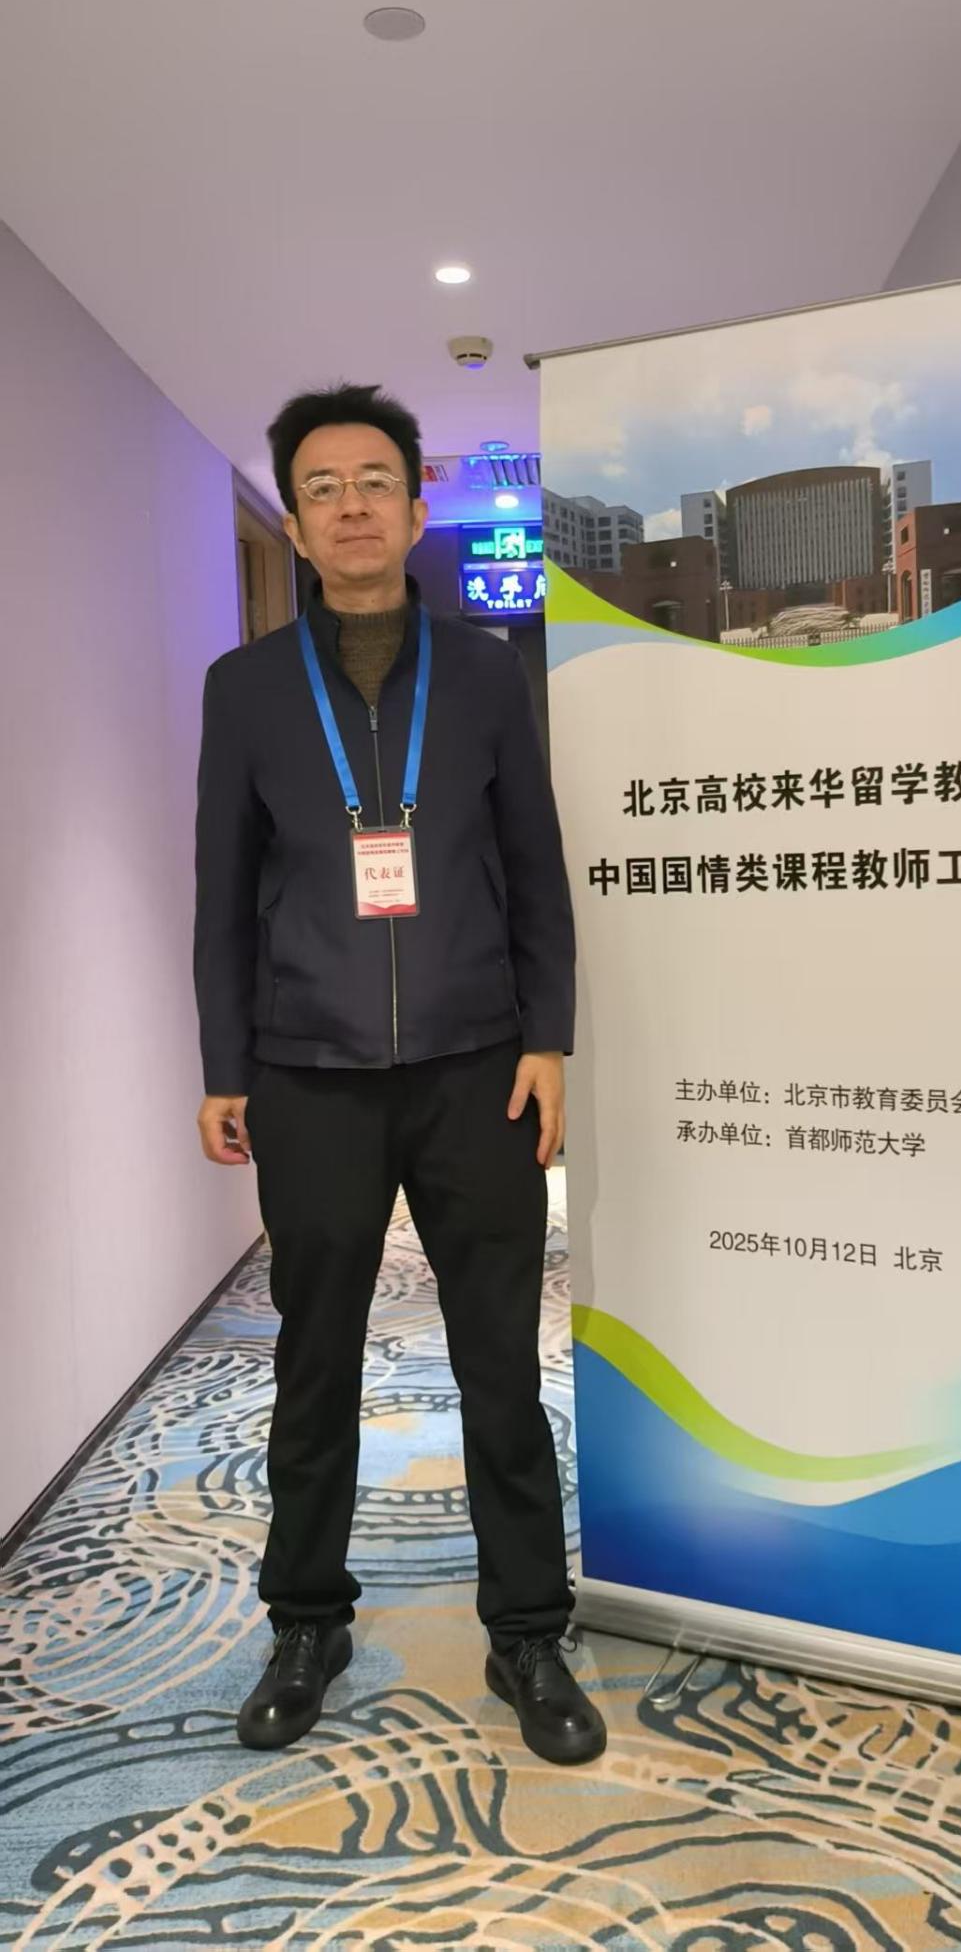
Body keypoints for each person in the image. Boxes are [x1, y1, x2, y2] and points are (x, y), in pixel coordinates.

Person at [193, 382, 605, 1765]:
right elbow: (222, 892)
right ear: (295, 521)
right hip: (307, 1073)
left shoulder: (483, 671)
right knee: (314, 1361)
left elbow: (535, 865)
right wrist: (225, 1062)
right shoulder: (246, 688)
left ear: (419, 505)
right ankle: (305, 1621)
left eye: (375, 480)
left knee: (499, 1360)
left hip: (476, 1066)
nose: (352, 505)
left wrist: (547, 1035)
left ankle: (528, 1631)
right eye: (322, 486)